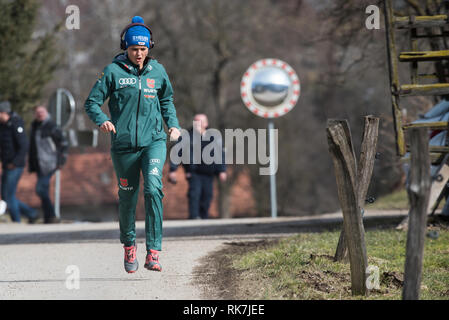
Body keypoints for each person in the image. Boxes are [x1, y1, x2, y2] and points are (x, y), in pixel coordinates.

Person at [84, 16, 181, 273]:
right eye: (134, 49)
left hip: (154, 142)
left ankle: (154, 252)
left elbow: (167, 101)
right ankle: (129, 245)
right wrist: (102, 120)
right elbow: (91, 102)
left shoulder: (158, 71)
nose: (139, 54)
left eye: (143, 49)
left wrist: (173, 124)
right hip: (124, 146)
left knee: (153, 188)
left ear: (150, 48)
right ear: (125, 48)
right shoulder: (113, 72)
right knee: (127, 198)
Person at [168, 114, 227, 219]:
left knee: (207, 196)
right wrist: (173, 170)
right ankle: (194, 218)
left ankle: (204, 218)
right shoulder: (186, 136)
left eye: (200, 121)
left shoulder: (214, 137)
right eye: (195, 121)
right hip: (193, 171)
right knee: (194, 194)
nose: (197, 123)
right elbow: (177, 152)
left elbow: (220, 154)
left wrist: (222, 170)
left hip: (209, 172)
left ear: (206, 123)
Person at [29, 105, 68, 224]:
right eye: (37, 112)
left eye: (42, 112)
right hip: (39, 164)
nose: (40, 114)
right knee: (43, 190)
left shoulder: (51, 126)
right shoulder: (34, 126)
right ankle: (48, 217)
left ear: (46, 112)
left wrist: (61, 161)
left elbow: (64, 144)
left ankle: (51, 215)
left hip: (50, 163)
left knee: (40, 189)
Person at [0, 101, 37, 223]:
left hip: (15, 166)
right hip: (7, 164)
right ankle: (31, 213)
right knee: (6, 196)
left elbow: (24, 146)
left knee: (8, 196)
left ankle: (17, 221)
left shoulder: (16, 124)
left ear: (4, 113)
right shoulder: (4, 126)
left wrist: (15, 163)